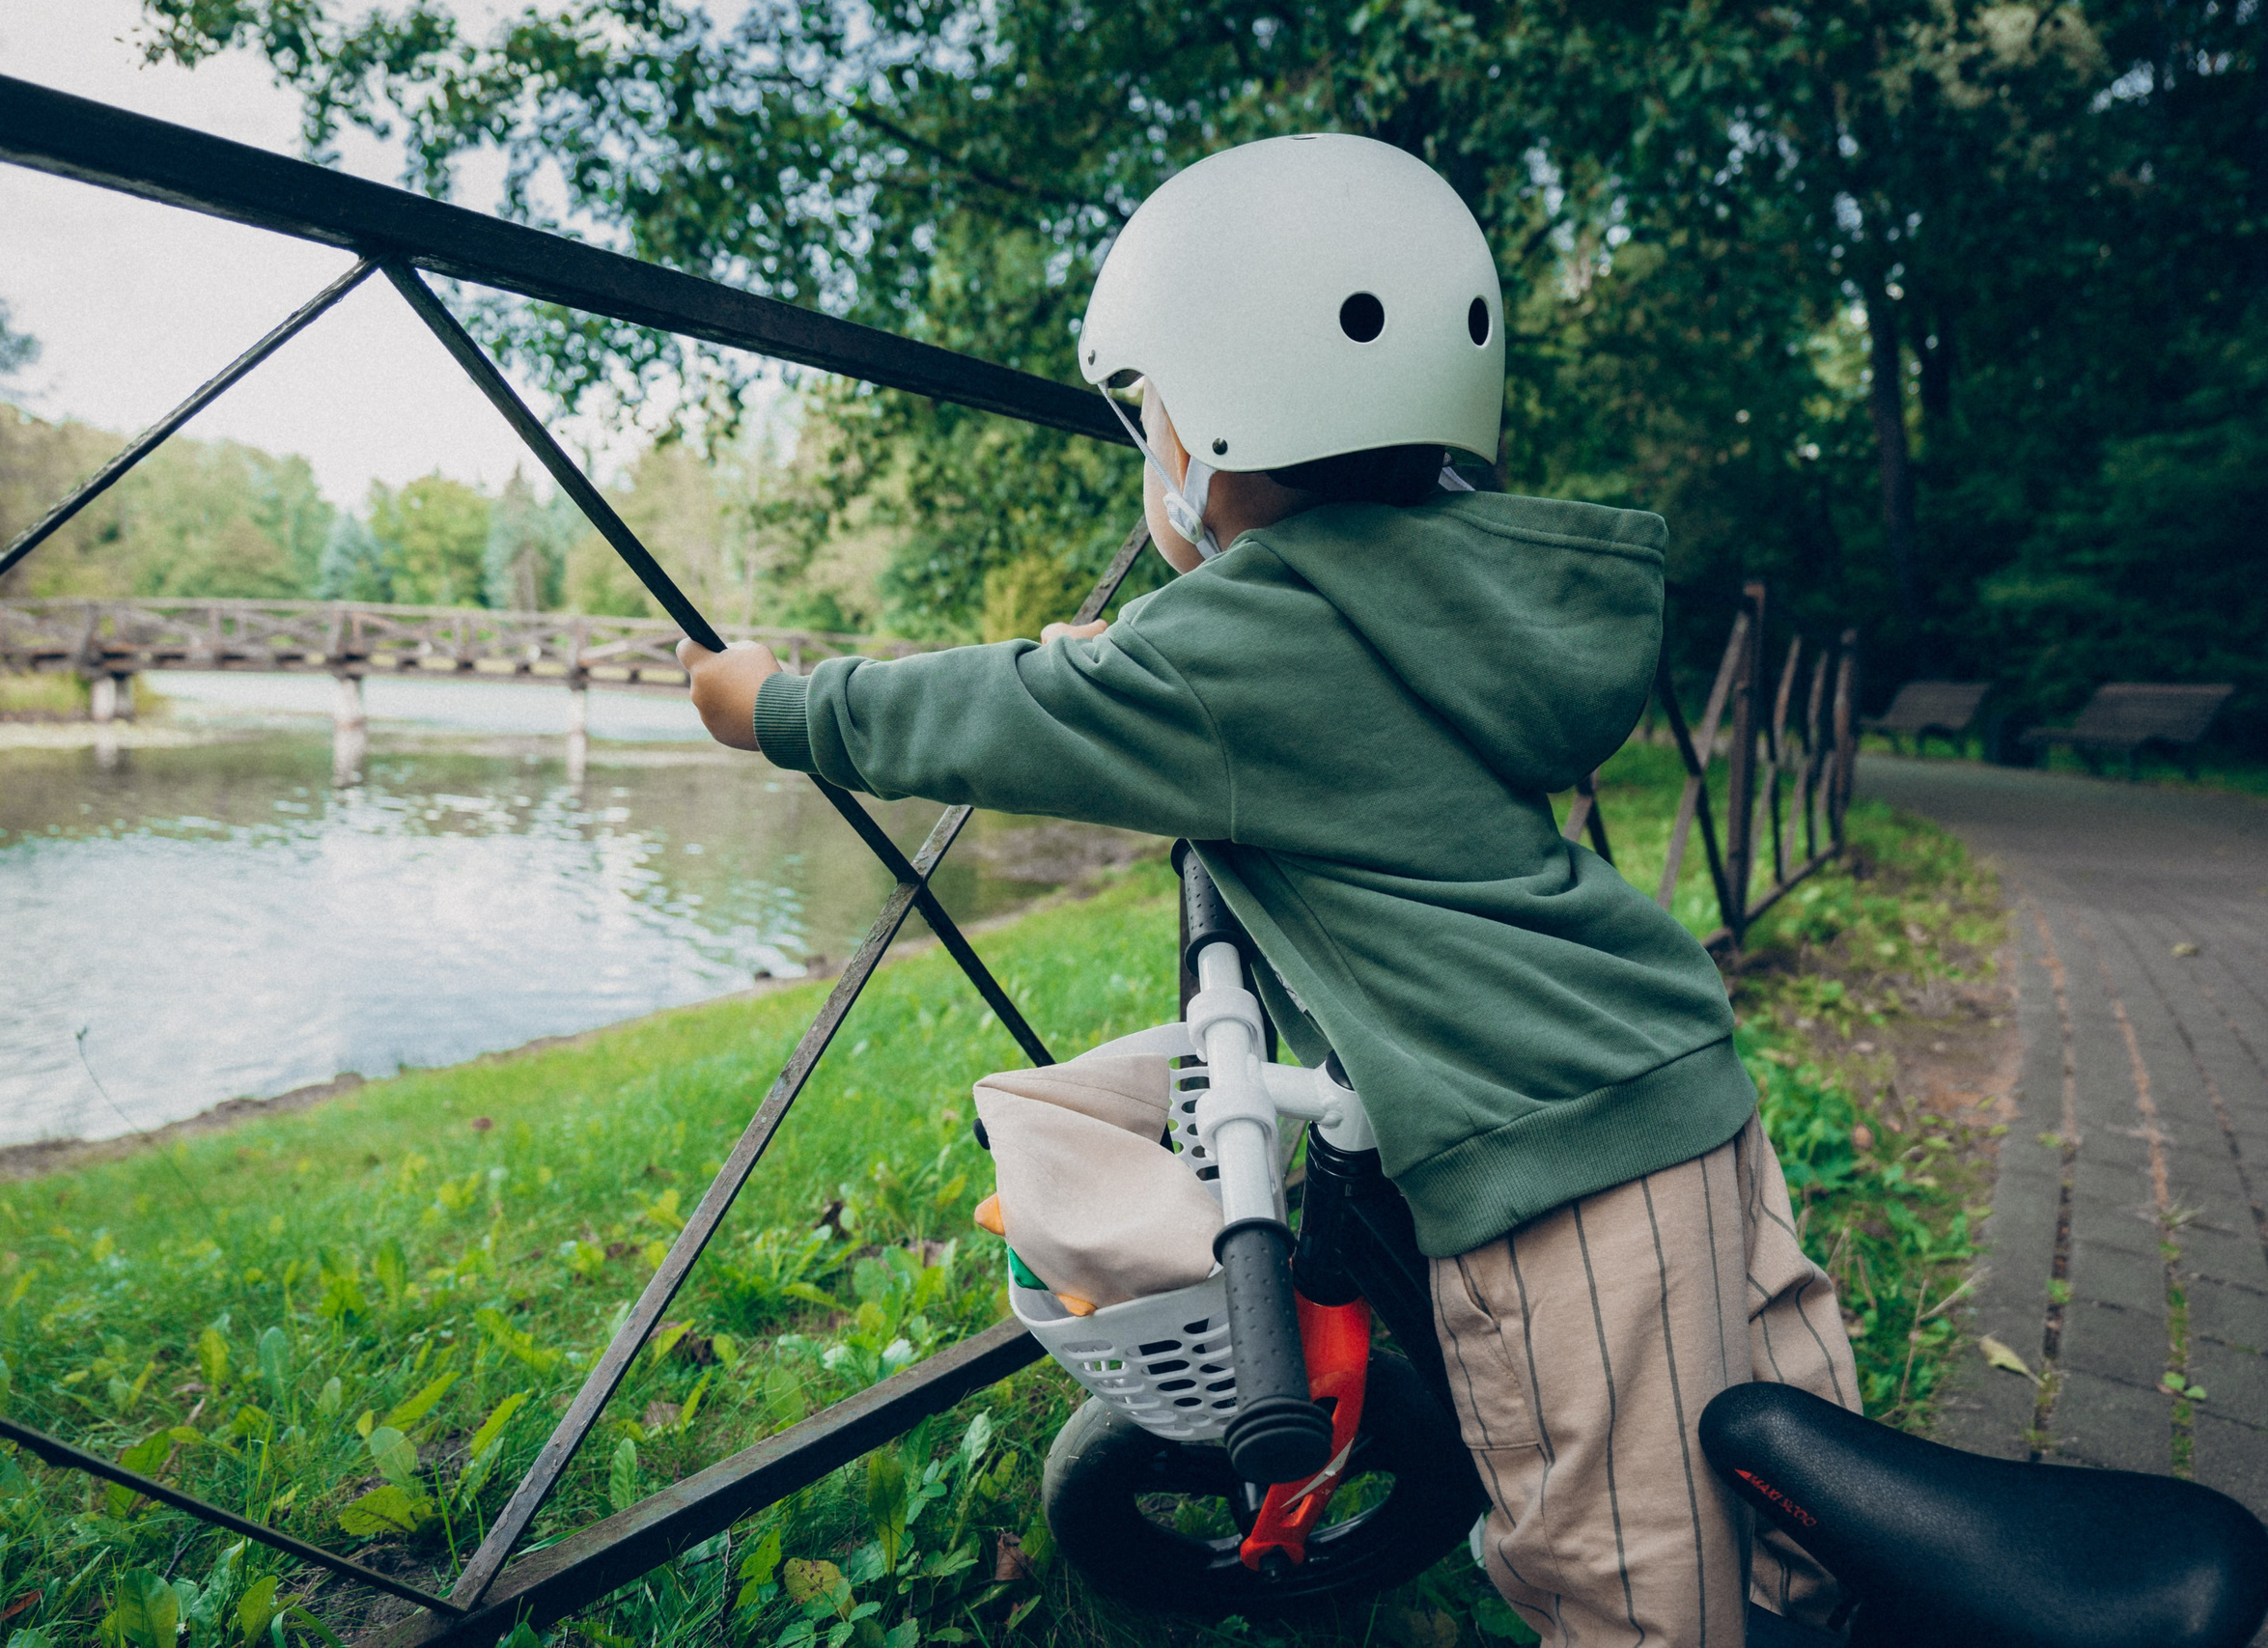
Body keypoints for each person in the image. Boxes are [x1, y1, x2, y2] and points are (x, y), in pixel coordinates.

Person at [679, 133, 1859, 1647]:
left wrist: (773, 704)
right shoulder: (1451, 590)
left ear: (1222, 416)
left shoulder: (1250, 643)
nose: (1150, 441)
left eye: (1153, 407)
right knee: (1778, 1474)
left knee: (1629, 1570)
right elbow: (1246, 703)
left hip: (1552, 1165)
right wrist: (1139, 670)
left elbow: (995, 714)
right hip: (1675, 1077)